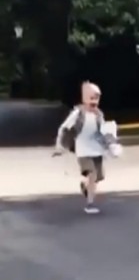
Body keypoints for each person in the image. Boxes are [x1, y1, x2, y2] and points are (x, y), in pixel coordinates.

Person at [53, 81, 117, 214]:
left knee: (98, 177)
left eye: (97, 98)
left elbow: (104, 132)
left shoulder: (99, 115)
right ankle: (90, 204)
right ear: (84, 98)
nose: (94, 101)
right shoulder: (78, 113)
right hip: (83, 150)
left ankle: (85, 186)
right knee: (92, 174)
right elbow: (64, 128)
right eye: (91, 98)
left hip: (97, 150)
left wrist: (111, 145)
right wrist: (59, 145)